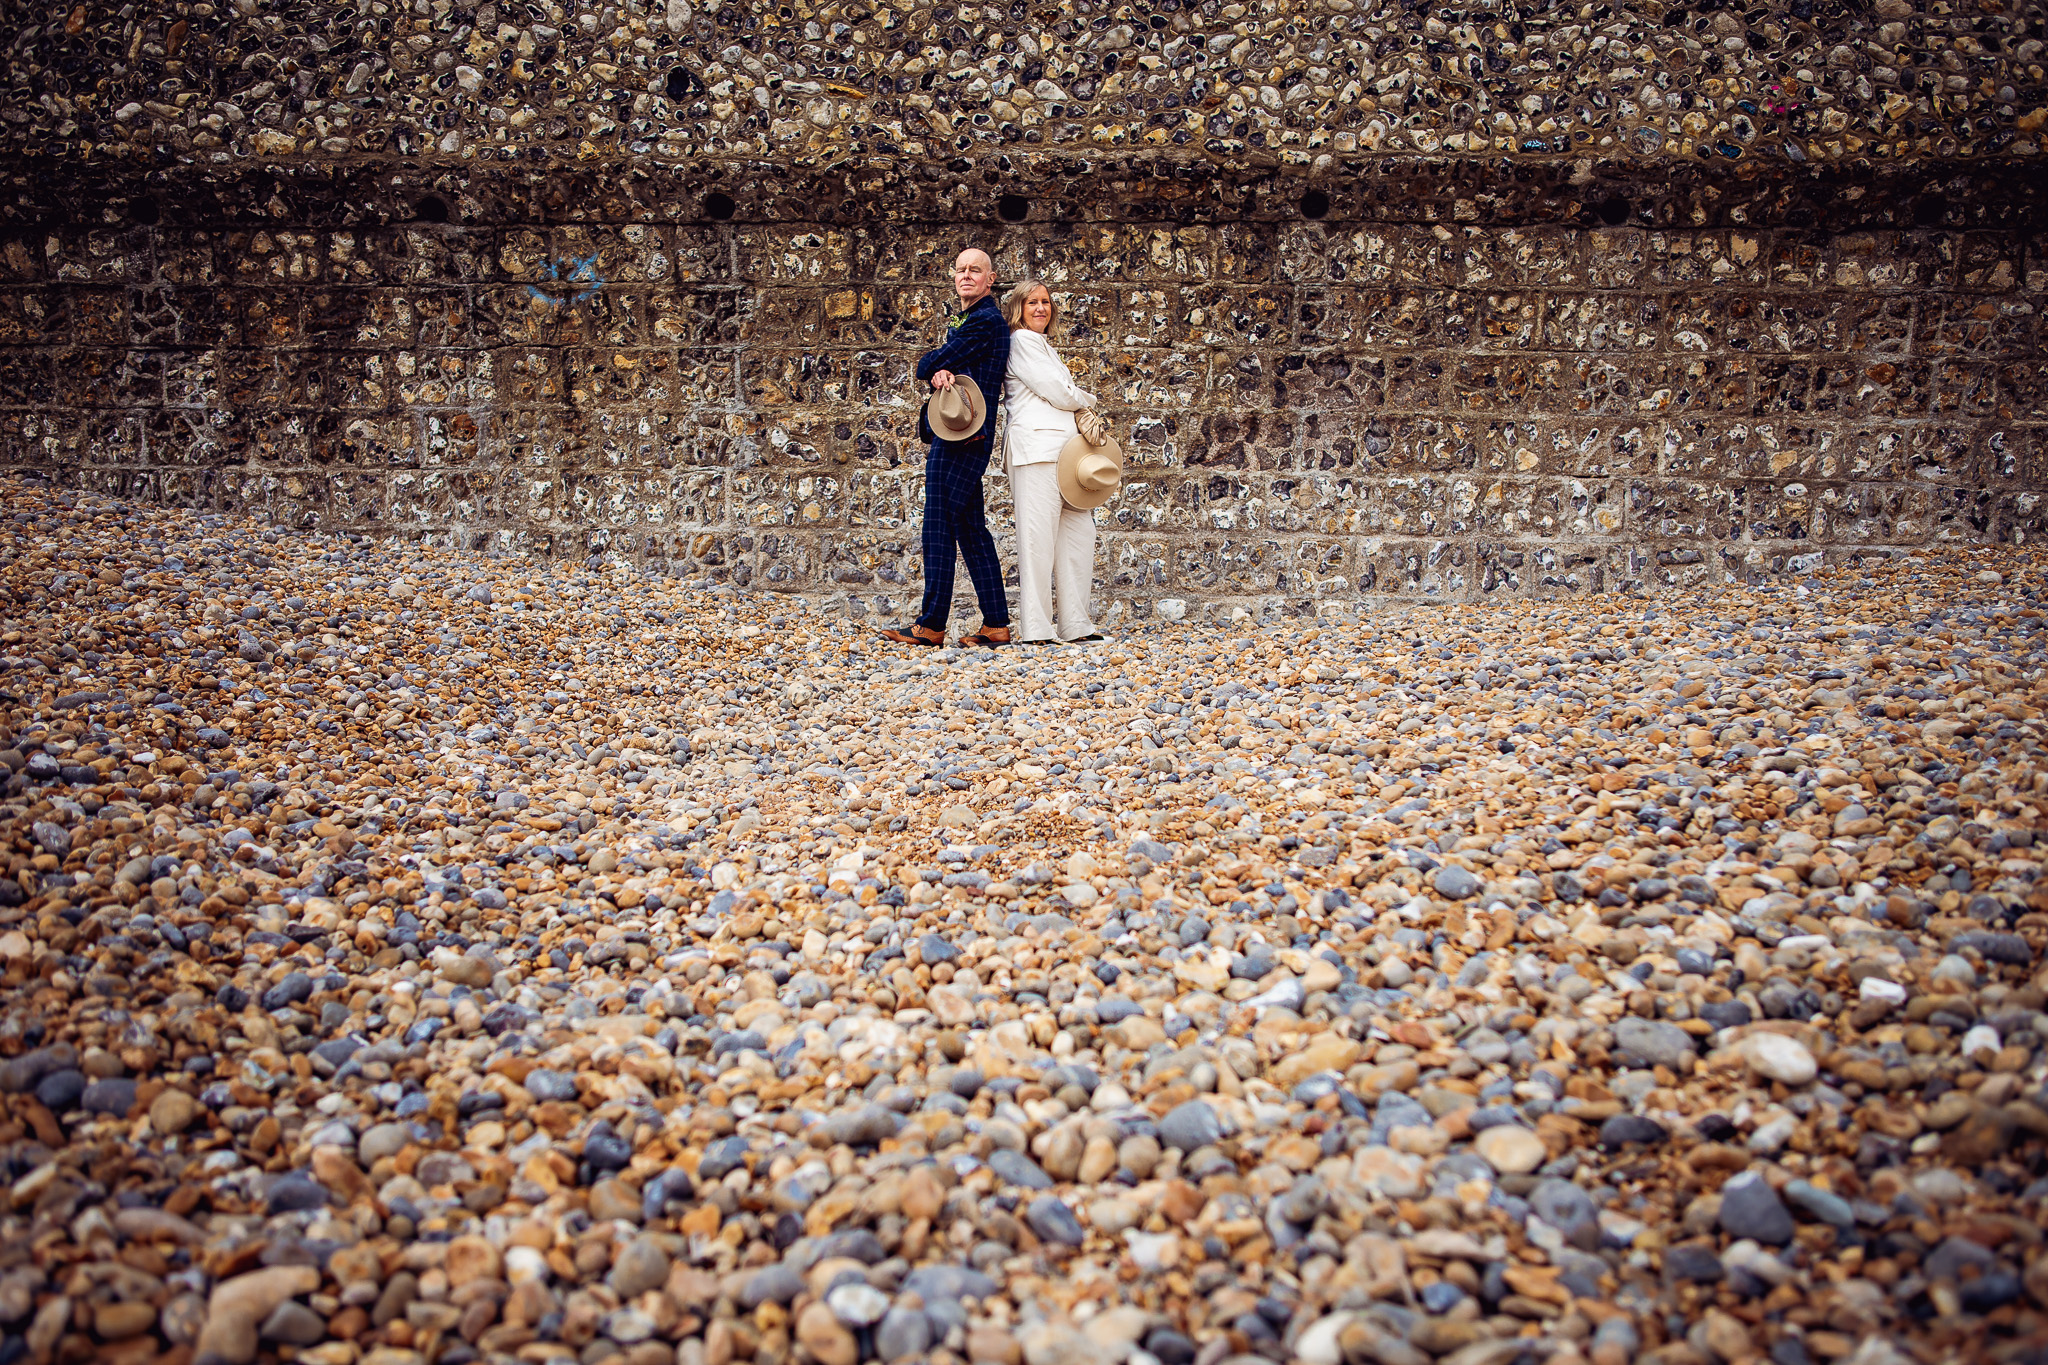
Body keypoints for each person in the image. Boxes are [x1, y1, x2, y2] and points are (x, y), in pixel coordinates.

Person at [879, 248, 1014, 648]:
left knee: (937, 523)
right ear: (954, 277)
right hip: (966, 435)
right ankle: (996, 625)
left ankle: (931, 624)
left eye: (976, 270)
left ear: (990, 280)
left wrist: (934, 365)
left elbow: (926, 364)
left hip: (962, 438)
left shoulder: (985, 320)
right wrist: (944, 369)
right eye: (961, 270)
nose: (966, 275)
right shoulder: (973, 319)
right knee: (970, 529)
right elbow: (949, 364)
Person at [1000, 279, 1107, 644]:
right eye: (1033, 303)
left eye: (1045, 302)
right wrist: (1086, 397)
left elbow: (1060, 394)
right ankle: (1037, 628)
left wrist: (1074, 399)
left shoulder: (1043, 345)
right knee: (1037, 541)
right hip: (1035, 452)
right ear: (1019, 308)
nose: (1041, 308)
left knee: (1078, 537)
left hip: (1066, 456)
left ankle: (1076, 624)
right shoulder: (1021, 341)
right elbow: (1058, 393)